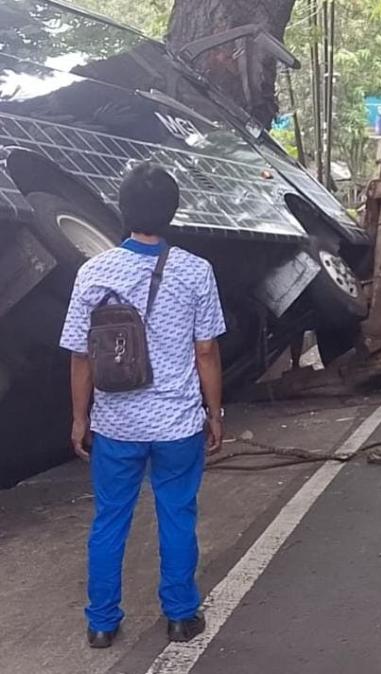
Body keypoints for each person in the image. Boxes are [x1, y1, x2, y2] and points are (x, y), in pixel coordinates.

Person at [59, 162, 226, 648]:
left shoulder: (93, 271)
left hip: (116, 425)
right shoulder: (196, 271)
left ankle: (102, 623)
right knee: (177, 513)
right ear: (173, 212)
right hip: (176, 424)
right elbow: (206, 351)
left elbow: (80, 353)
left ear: (121, 209)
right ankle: (180, 615)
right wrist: (213, 414)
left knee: (110, 519)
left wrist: (80, 416)